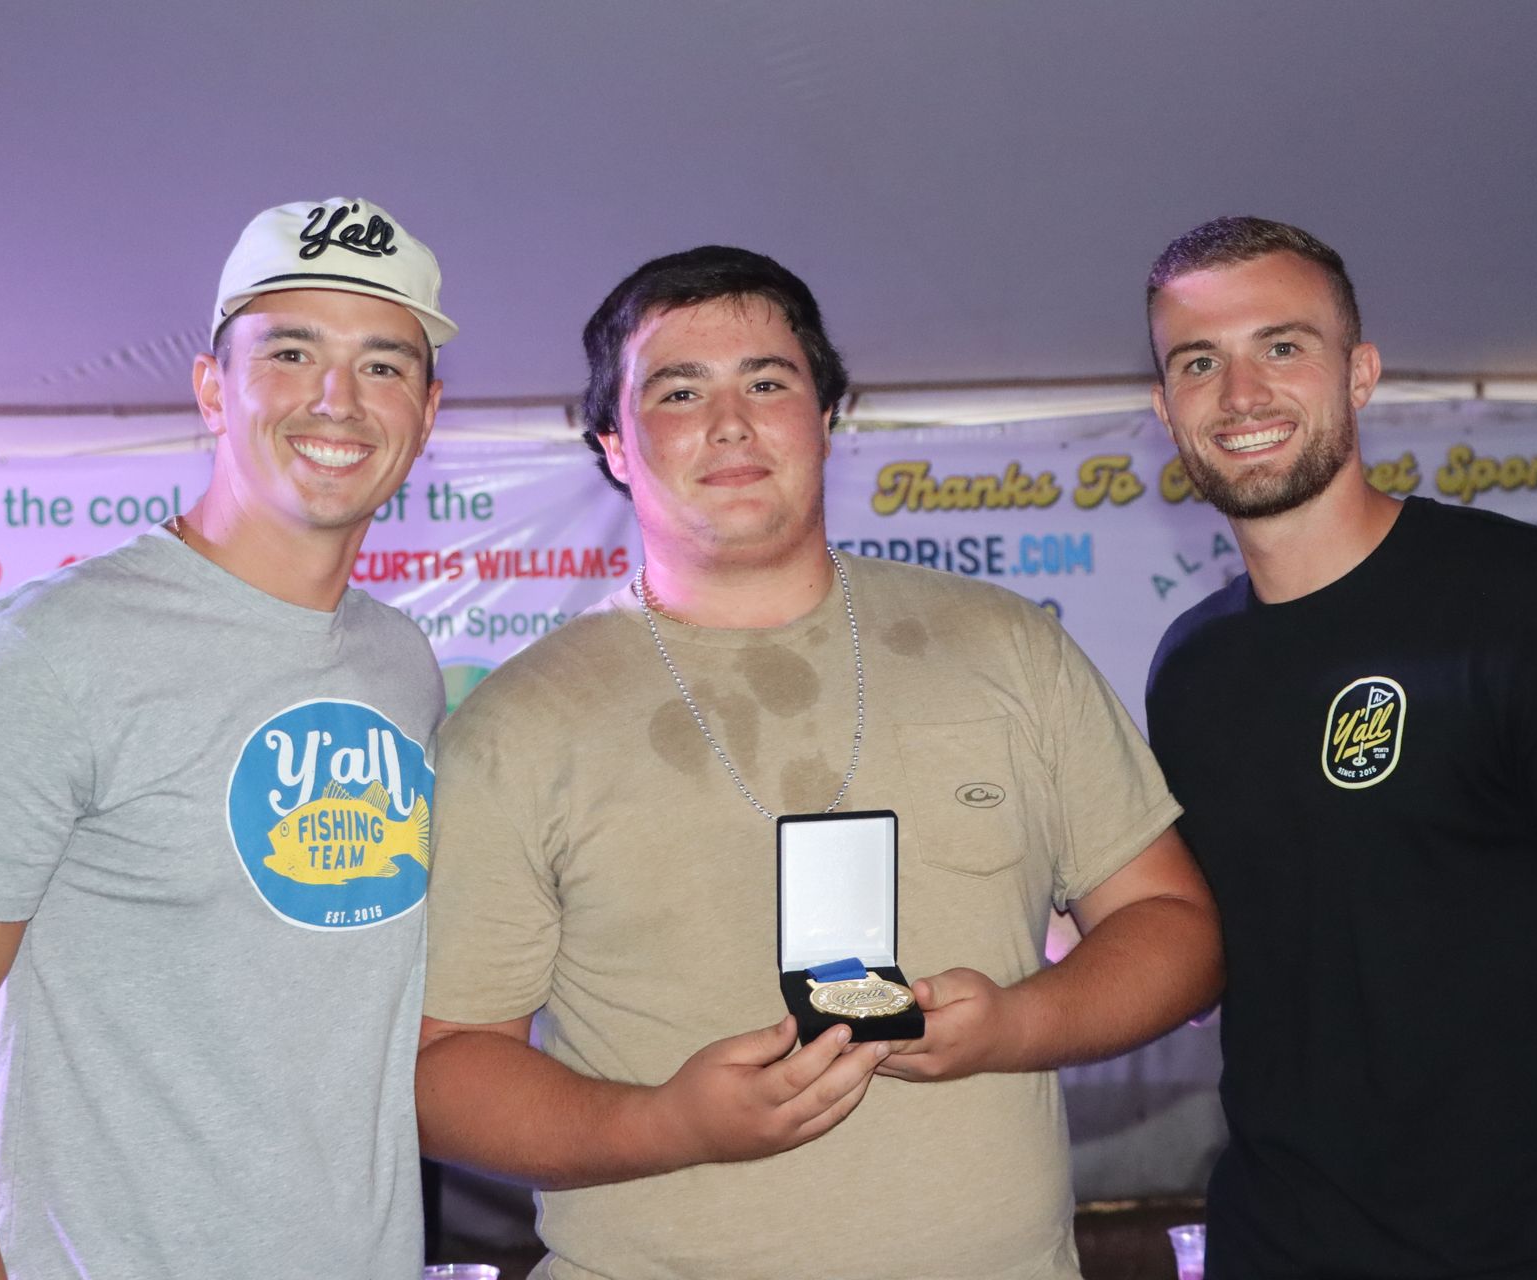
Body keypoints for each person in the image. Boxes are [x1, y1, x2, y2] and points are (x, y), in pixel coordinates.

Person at [415, 244, 1223, 1279]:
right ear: (614, 442)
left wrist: (1018, 1022)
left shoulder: (1007, 647)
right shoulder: (518, 724)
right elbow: (444, 1065)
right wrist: (668, 1122)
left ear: (827, 416)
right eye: (678, 391)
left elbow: (1176, 928)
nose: (731, 421)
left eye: (768, 382)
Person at [0, 197, 454, 1278]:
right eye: (292, 352)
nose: (338, 398)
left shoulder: (398, 663)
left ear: (428, 408)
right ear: (213, 389)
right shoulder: (41, 651)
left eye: (383, 364)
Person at [1141, 216, 1537, 1278]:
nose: (1241, 393)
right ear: (1163, 407)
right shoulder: (1191, 667)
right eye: (1198, 361)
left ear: (1360, 373)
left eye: (1282, 346)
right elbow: (1229, 947)